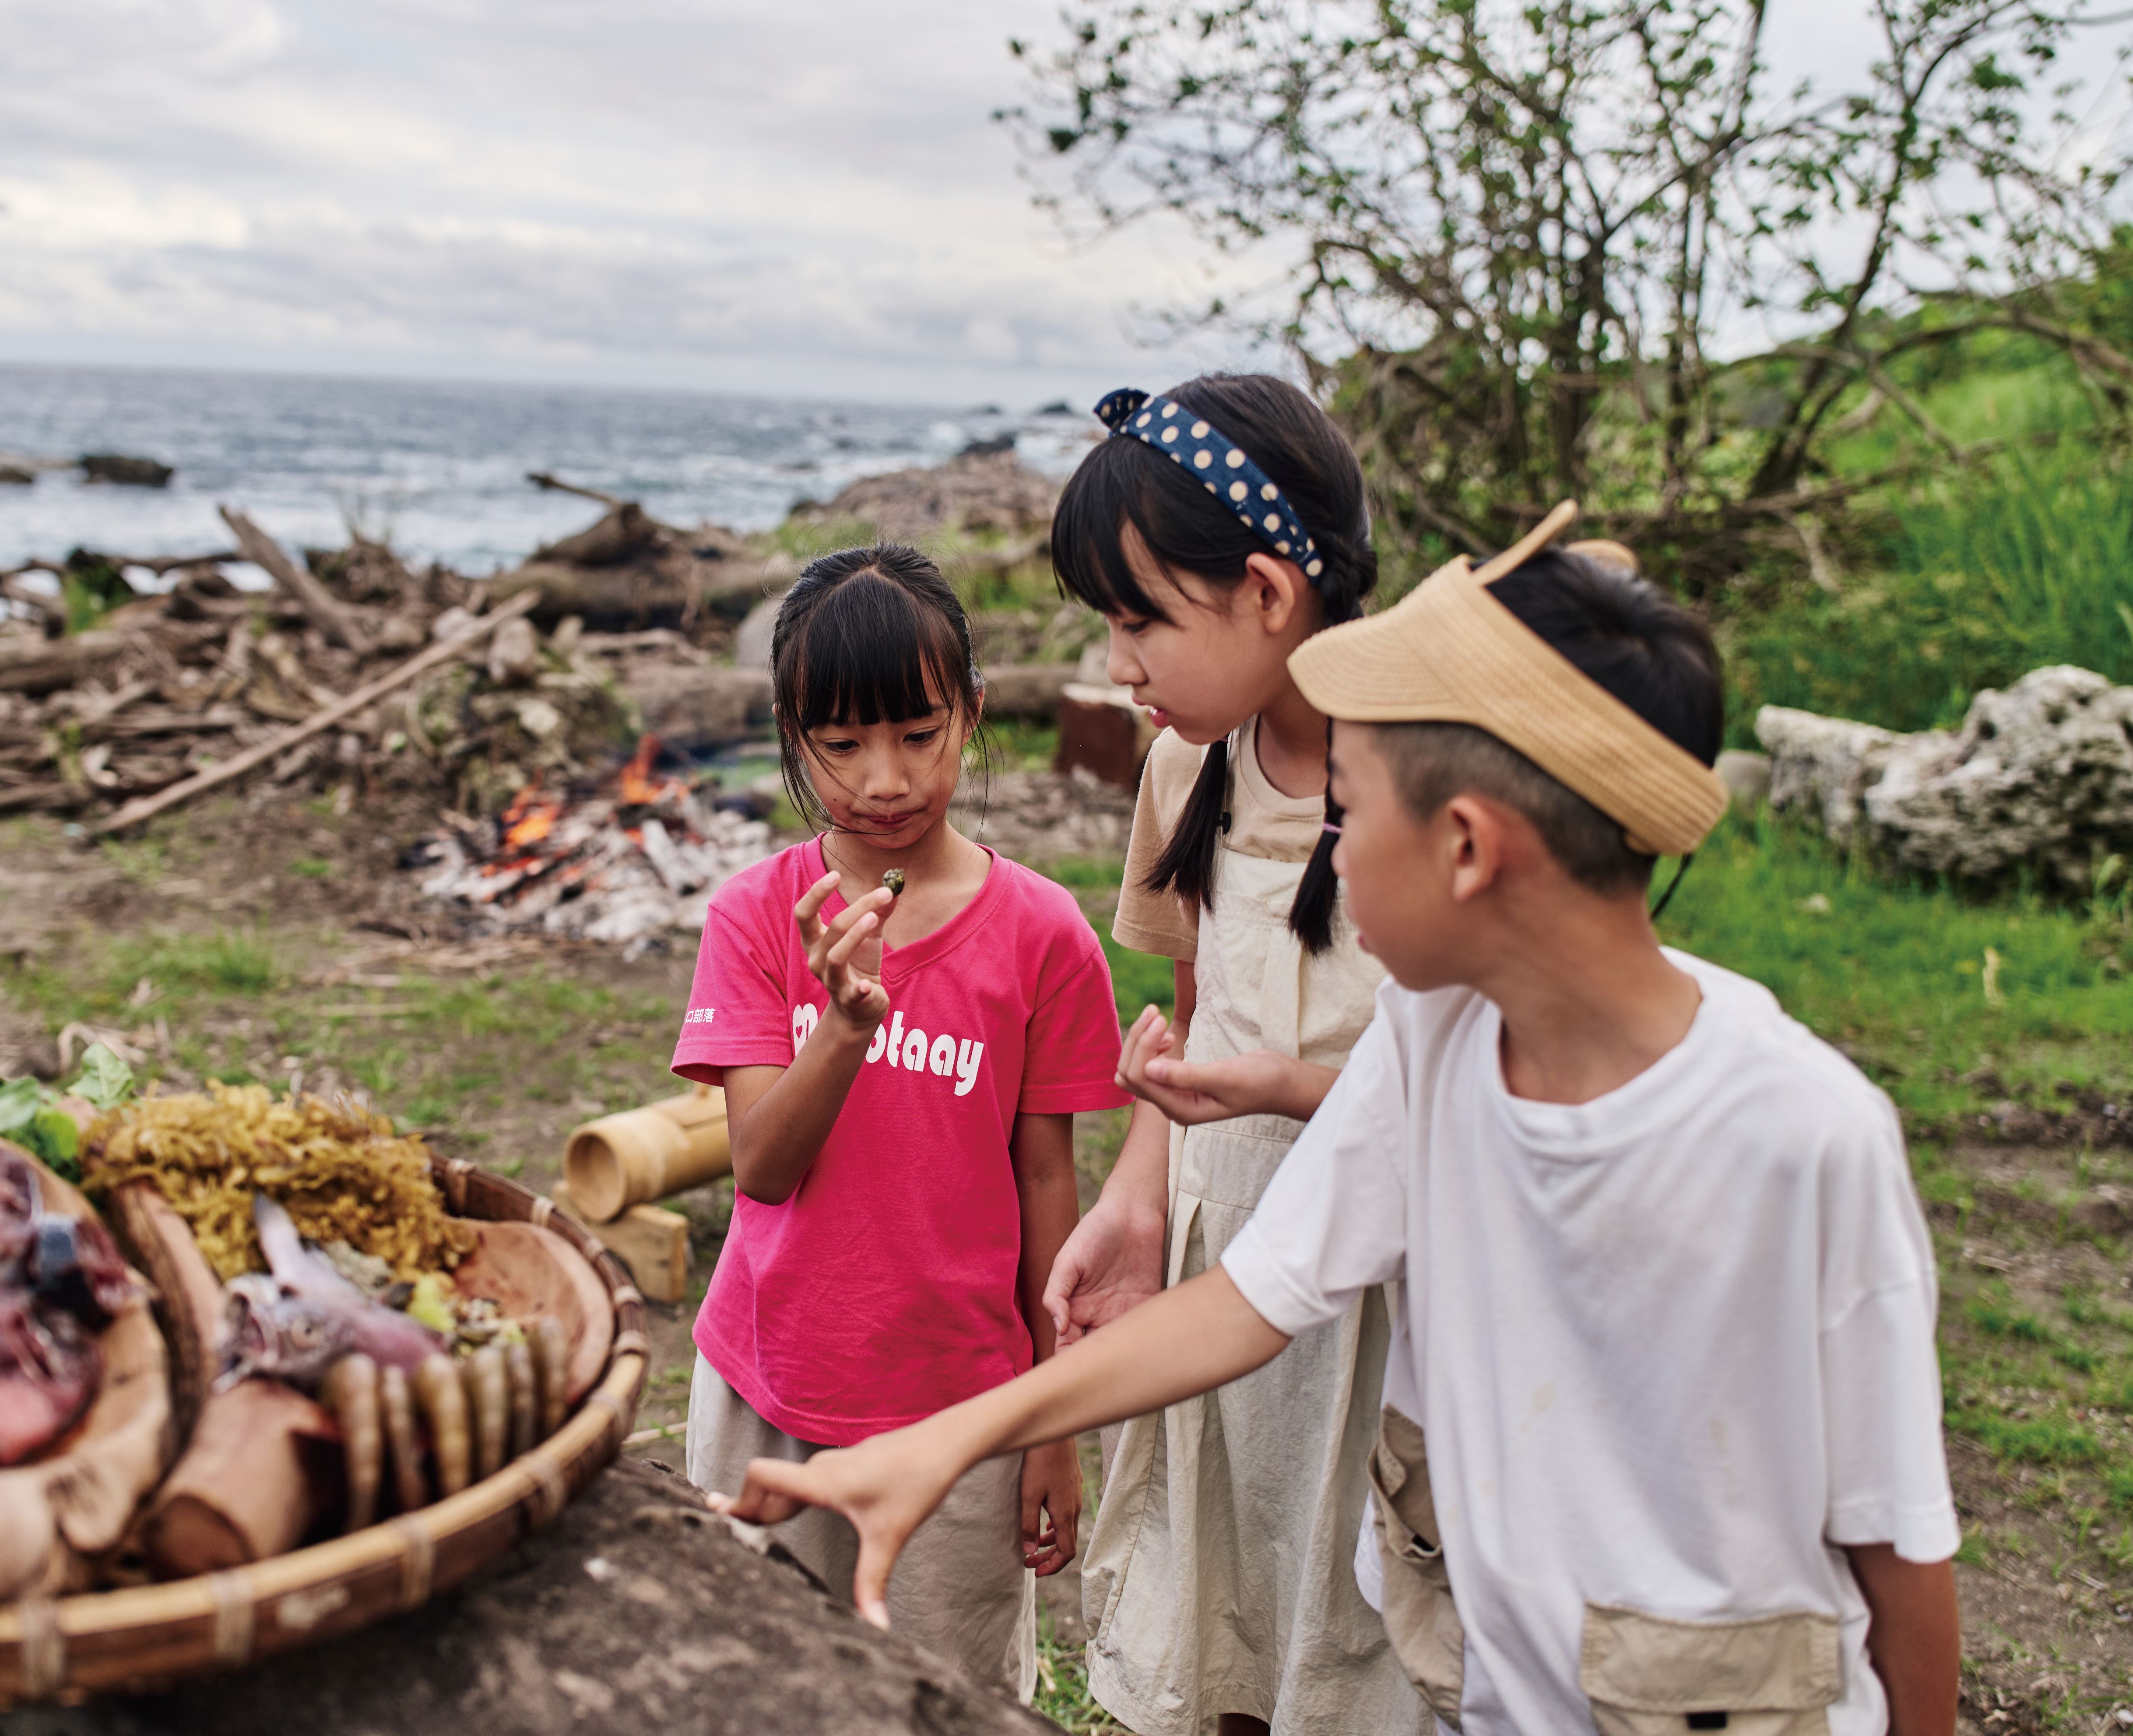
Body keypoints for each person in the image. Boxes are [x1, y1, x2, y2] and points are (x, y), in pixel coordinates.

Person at [715, 515, 1963, 1736]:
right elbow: (1247, 1297)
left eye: (1351, 815)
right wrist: (956, 1442)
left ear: (1467, 846)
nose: (1330, 860)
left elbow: (1898, 1539)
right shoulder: (1431, 1050)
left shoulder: (1804, 1139)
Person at [669, 543, 1129, 1695]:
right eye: (841, 744)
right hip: (767, 1392)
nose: (885, 777)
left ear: (973, 715)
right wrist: (844, 1027)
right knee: (755, 1690)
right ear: (793, 734)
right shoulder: (757, 917)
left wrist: (1050, 1430)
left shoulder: (1045, 935)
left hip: (961, 1416)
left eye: (919, 734)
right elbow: (761, 1171)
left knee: (940, 1697)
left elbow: (1046, 1192)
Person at [1037, 376, 1425, 1736]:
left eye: (1141, 615)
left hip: (1382, 1290)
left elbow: (1472, 1091)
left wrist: (1278, 1094)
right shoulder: (1186, 770)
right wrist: (1138, 1197)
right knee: (1226, 1617)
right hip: (1221, 1253)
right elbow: (1201, 1014)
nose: (1120, 662)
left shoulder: (1430, 784)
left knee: (1363, 1620)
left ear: (1269, 591)